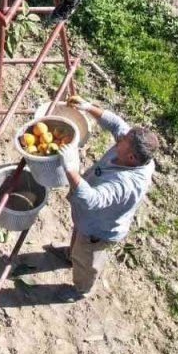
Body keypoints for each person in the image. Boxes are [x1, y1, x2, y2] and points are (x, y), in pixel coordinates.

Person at [50, 95, 159, 297]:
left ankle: (82, 289)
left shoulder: (125, 184)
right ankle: (70, 254)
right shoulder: (133, 152)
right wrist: (88, 107)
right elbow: (116, 124)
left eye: (123, 141)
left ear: (131, 157)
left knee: (87, 260)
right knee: (78, 236)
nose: (120, 137)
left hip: (99, 230)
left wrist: (71, 167)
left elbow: (91, 200)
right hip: (88, 219)